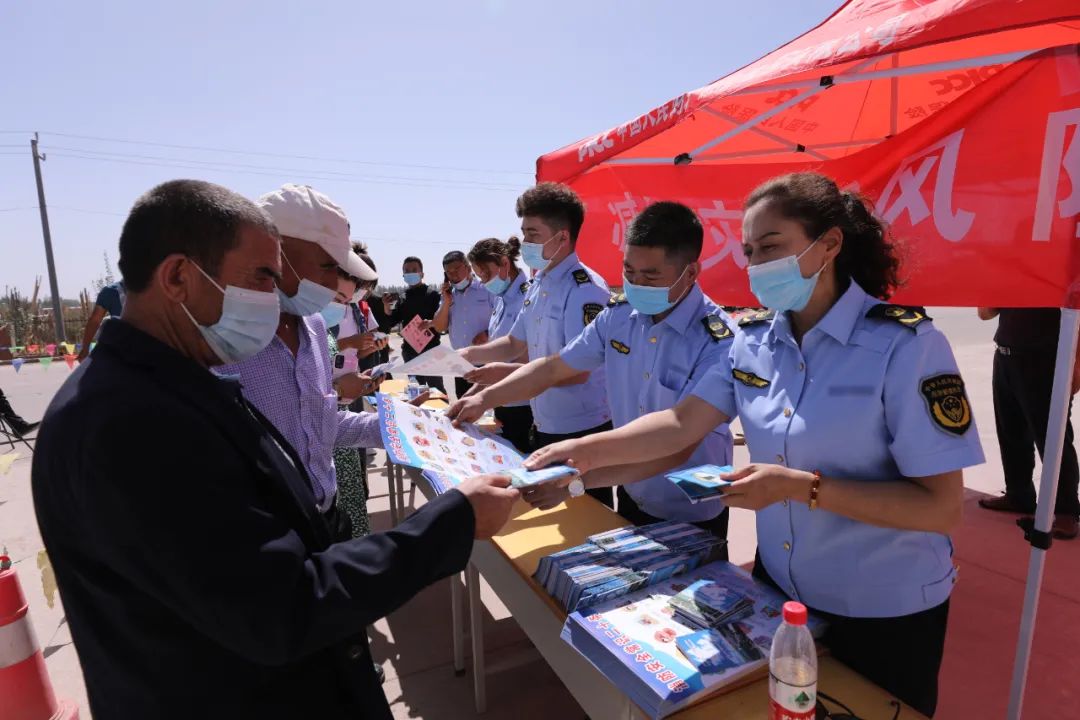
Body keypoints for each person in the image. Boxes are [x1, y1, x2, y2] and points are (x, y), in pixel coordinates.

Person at [31, 179, 519, 719]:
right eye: (263, 276)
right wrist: (453, 521)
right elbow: (281, 608)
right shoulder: (129, 424)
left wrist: (407, 429)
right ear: (178, 278)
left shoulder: (178, 383)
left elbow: (314, 432)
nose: (275, 294)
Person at [524, 172, 982, 717]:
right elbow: (680, 423)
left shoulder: (905, 346)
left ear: (829, 244)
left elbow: (941, 508)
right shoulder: (754, 341)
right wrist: (580, 458)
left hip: (883, 609)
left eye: (771, 247)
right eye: (749, 252)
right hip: (781, 595)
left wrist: (799, 488)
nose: (758, 265)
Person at [451, 203, 735, 542]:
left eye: (650, 277)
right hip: (630, 491)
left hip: (691, 510)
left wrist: (579, 472)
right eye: (629, 271)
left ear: (691, 273)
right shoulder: (619, 316)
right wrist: (485, 398)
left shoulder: (719, 342)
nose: (636, 284)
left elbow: (678, 442)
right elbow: (554, 367)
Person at [216, 184, 381, 540]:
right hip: (265, 539)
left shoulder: (315, 326)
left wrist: (401, 428)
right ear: (275, 249)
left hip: (326, 518)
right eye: (327, 265)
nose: (332, 282)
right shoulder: (220, 337)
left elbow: (321, 425)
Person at [459, 182, 614, 506]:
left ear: (562, 238)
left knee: (587, 517)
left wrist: (505, 377)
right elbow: (513, 342)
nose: (525, 243)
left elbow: (578, 371)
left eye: (533, 234)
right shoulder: (539, 283)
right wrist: (467, 354)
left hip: (581, 429)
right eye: (524, 233)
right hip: (545, 422)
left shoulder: (585, 290)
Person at [976, 307, 1080, 539]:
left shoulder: (1060, 280)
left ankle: (1066, 510)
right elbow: (984, 314)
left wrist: (1076, 364)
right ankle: (1019, 494)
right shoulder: (1010, 282)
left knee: (1053, 438)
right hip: (1005, 355)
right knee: (1010, 431)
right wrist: (997, 293)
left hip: (1046, 360)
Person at [458, 236, 533, 452]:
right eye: (479, 276)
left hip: (524, 404)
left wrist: (481, 396)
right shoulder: (501, 298)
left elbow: (526, 360)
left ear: (505, 263)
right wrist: (470, 395)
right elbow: (497, 359)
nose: (483, 282)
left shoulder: (528, 298)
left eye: (486, 274)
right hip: (501, 400)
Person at [427, 250, 493, 400]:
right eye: (448, 272)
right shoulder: (448, 295)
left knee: (487, 404)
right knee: (464, 403)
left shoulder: (486, 289)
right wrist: (446, 302)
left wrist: (487, 334)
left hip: (486, 360)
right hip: (461, 364)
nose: (453, 275)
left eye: (456, 269)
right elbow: (440, 327)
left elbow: (503, 319)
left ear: (468, 267)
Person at [377, 256, 446, 394]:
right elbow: (391, 322)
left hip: (431, 350)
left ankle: (444, 408)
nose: (410, 273)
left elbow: (442, 322)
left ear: (422, 274)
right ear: (403, 275)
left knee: (437, 389)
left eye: (414, 270)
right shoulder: (403, 297)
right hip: (410, 352)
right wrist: (386, 307)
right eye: (407, 271)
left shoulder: (433, 295)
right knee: (416, 391)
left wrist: (430, 323)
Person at [76, 279, 125, 361]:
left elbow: (95, 320)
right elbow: (95, 321)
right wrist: (85, 349)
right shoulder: (111, 291)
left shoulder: (111, 291)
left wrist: (85, 349)